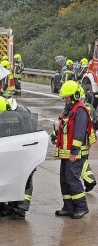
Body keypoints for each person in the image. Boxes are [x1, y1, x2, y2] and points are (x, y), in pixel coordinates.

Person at [54, 80, 96, 219]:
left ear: (75, 96)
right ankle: (68, 207)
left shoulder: (80, 110)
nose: (65, 99)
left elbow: (78, 133)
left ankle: (81, 207)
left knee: (72, 180)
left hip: (75, 154)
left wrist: (74, 152)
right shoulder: (68, 110)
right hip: (67, 154)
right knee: (64, 180)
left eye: (67, 97)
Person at [0, 96, 34, 218]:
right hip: (10, 153)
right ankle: (12, 206)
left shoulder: (21, 114)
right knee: (12, 178)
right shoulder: (3, 112)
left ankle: (22, 207)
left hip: (23, 152)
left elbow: (26, 135)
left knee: (25, 179)